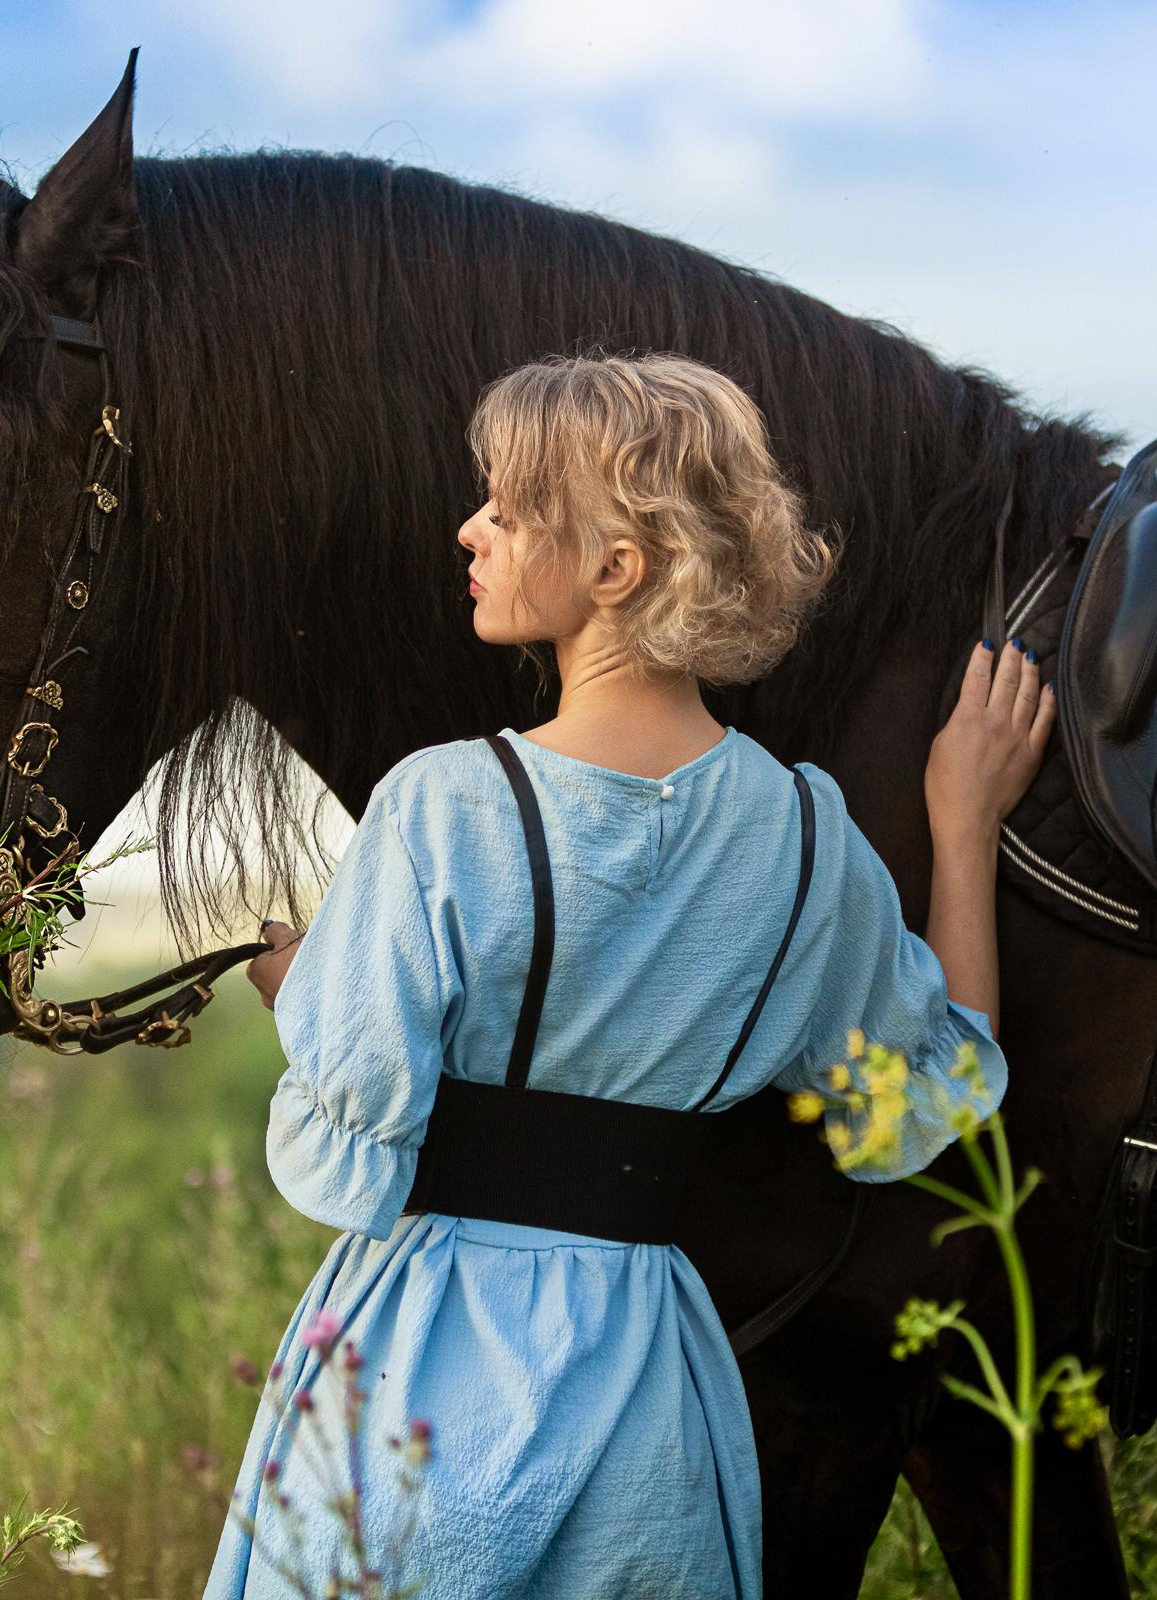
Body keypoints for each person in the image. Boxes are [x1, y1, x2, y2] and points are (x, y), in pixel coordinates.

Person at [203, 352, 1050, 1598]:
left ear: (616, 567)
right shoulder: (805, 835)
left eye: (506, 507)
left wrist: (302, 985)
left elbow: (352, 1125)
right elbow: (919, 1098)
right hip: (649, 1381)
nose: (471, 530)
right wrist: (961, 821)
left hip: (421, 1360)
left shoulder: (442, 806)